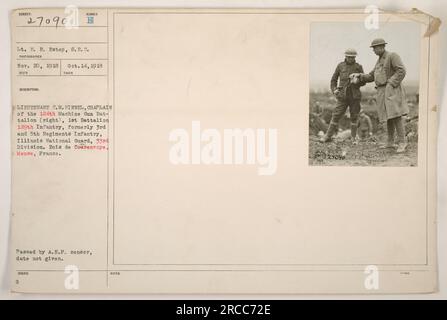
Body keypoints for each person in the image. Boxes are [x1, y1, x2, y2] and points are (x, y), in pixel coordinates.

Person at [360, 38, 409, 153]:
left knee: (396, 115)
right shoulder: (379, 61)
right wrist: (360, 76)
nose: (373, 50)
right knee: (388, 116)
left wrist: (391, 84)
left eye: (375, 48)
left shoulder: (392, 56)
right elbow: (372, 76)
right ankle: (390, 142)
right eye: (373, 48)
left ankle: (403, 142)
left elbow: (401, 70)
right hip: (382, 91)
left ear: (381, 47)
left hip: (391, 89)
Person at [320, 48, 365, 144]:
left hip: (355, 97)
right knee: (336, 115)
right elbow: (333, 80)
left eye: (352, 57)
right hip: (342, 96)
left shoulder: (358, 67)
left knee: (354, 116)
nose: (350, 59)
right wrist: (334, 90)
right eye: (348, 57)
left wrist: (358, 81)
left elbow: (364, 81)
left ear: (355, 57)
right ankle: (328, 136)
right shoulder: (340, 66)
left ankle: (353, 138)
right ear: (345, 56)